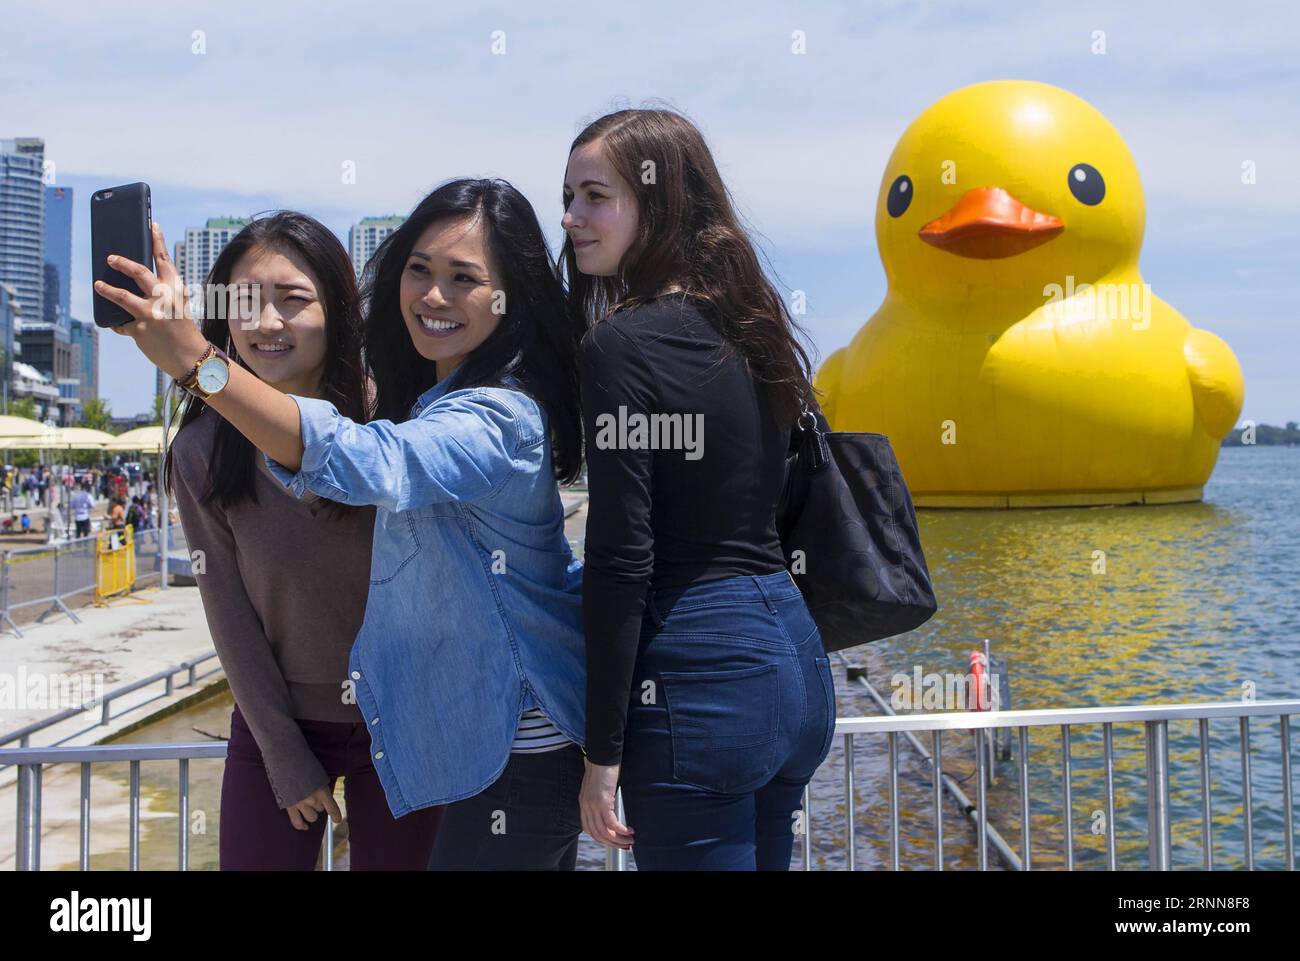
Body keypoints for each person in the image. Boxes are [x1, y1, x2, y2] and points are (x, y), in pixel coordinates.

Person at [99, 181, 588, 870]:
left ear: (338, 308)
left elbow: (370, 460)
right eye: (244, 302)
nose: (267, 322)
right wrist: (281, 749)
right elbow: (228, 611)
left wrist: (195, 365)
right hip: (297, 722)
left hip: (422, 723)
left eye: (293, 299)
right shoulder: (206, 449)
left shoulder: (405, 414)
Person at [564, 109, 837, 870]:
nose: (572, 216)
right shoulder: (754, 327)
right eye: (570, 196)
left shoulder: (619, 344)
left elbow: (622, 556)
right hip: (793, 658)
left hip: (702, 671)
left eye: (594, 196)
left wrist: (602, 751)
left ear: (660, 202)